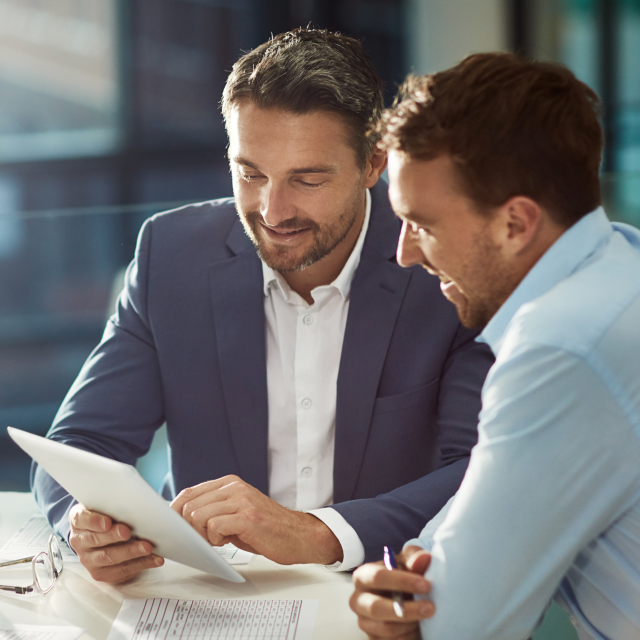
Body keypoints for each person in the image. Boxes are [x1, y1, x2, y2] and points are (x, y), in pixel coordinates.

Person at [31, 29, 493, 585]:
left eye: (308, 179)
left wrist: (318, 533)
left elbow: (480, 470)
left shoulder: (442, 267)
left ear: (373, 165)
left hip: (377, 589)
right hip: (207, 594)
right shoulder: (171, 255)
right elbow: (79, 445)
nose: (272, 210)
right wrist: (86, 522)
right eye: (250, 174)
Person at [349, 52, 640, 640]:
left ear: (516, 224)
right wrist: (408, 572)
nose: (406, 254)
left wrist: (409, 603)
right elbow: (455, 540)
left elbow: (456, 625)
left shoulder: (560, 349)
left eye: (423, 224)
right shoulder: (621, 260)